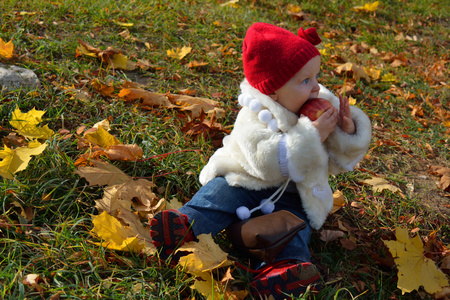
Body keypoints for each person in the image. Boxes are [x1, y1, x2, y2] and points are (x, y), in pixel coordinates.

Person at [150, 22, 372, 299]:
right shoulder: (255, 115)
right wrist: (309, 137)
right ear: (273, 91)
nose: (316, 88)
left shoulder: (318, 104)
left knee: (293, 229)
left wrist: (345, 133)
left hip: (293, 195)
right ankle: (185, 226)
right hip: (245, 180)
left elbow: (335, 163)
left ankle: (284, 271)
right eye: (305, 81)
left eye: (316, 77)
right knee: (218, 196)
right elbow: (264, 162)